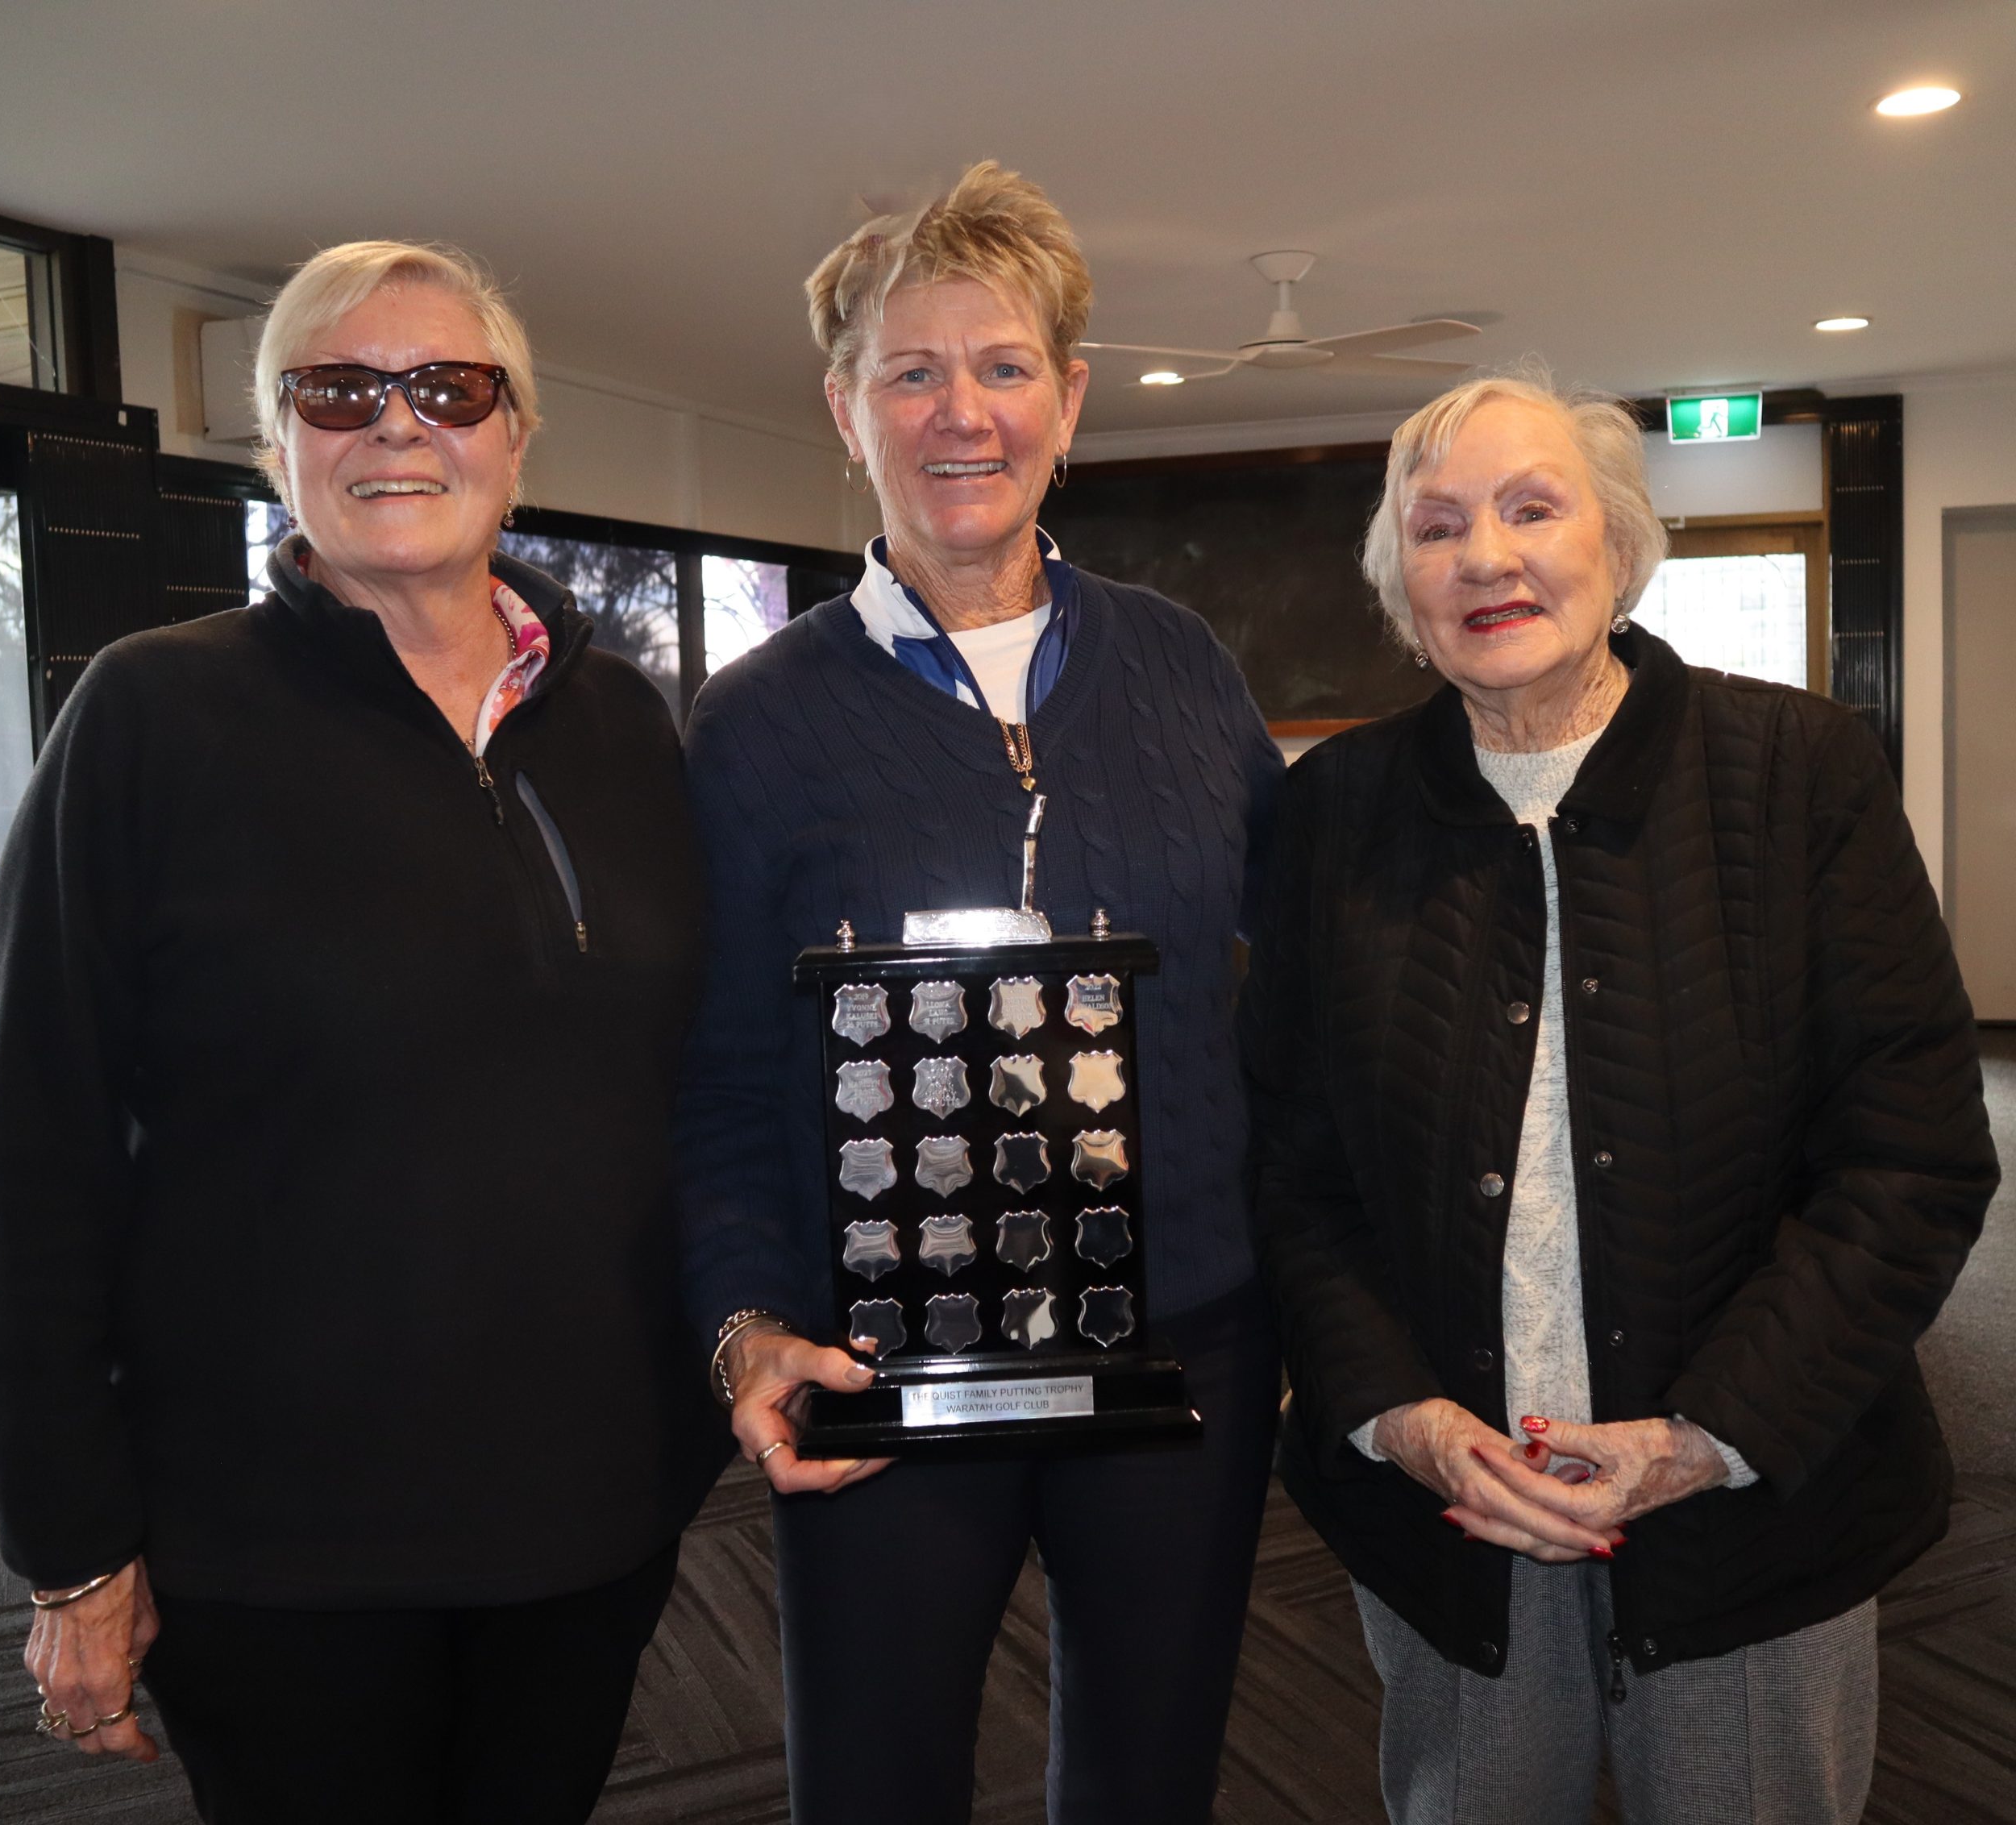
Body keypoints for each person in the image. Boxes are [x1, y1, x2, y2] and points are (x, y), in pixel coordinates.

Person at [0, 239, 722, 1823]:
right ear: (278, 446)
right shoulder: (149, 718)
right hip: (279, 1551)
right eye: (338, 390)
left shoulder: (627, 728)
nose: (398, 426)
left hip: (589, 1518)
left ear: (514, 435)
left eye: (449, 387)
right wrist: (71, 1551)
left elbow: (689, 1093)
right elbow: (42, 1161)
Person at [1241, 368, 1998, 1825]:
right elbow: (1294, 1172)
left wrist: (1701, 1440)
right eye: (1440, 525)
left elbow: (1910, 1165)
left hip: (1748, 1512)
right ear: (1401, 582)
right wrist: (1398, 1415)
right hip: (1455, 1509)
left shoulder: (1799, 773)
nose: (1488, 556)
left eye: (1534, 508)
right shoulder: (1336, 813)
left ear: (1622, 544)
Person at [678, 161, 1287, 1824]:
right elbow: (720, 1074)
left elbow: (1295, 998)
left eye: (1004, 365)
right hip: (879, 1352)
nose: (964, 413)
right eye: (911, 369)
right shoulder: (751, 725)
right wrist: (742, 1323)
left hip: (1187, 1341)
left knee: (1150, 1770)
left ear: (1069, 400)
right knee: (873, 1779)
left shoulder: (1181, 669)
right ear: (843, 407)